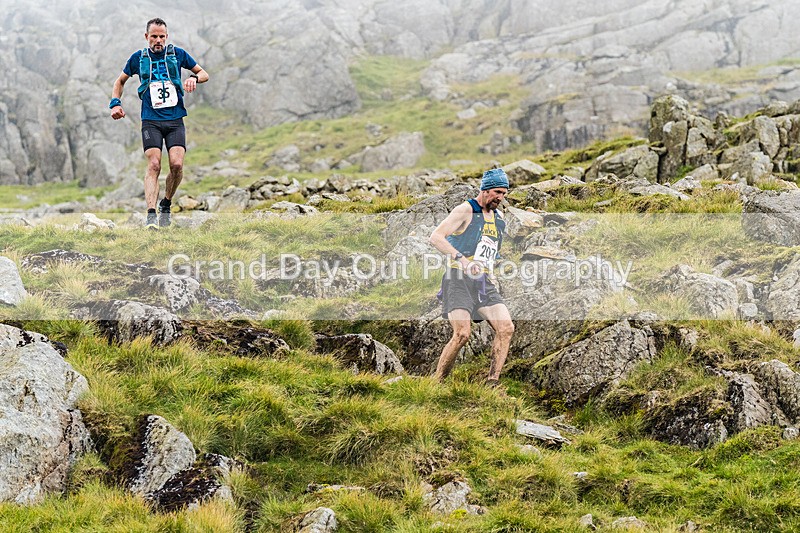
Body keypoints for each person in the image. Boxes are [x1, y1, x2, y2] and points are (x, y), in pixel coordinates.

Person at [109, 17, 208, 229]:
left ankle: (166, 203)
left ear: (166, 36)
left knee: (177, 165)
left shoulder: (178, 54)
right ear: (147, 37)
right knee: (154, 164)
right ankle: (151, 214)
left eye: (162, 36)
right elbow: (120, 81)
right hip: (150, 120)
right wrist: (115, 104)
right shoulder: (138, 58)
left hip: (175, 120)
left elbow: (204, 73)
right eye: (154, 36)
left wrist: (193, 78)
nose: (158, 40)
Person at [429, 168, 515, 387]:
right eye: (497, 192)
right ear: (485, 189)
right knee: (462, 334)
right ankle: (437, 384)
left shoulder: (499, 218)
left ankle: (492, 383)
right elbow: (436, 237)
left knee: (506, 328)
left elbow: (491, 251)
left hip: (483, 282)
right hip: (457, 278)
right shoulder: (465, 210)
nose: (500, 198)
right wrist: (462, 260)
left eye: (504, 193)